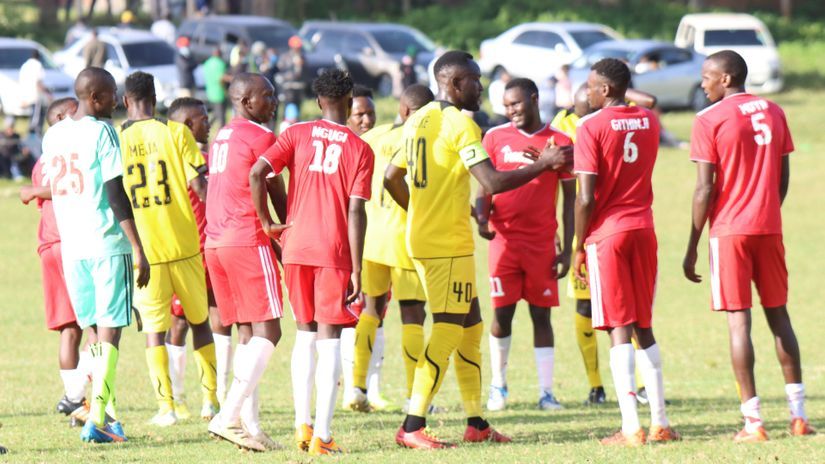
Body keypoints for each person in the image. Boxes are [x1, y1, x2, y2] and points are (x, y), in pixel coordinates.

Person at [384, 50, 572, 449]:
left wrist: (419, 212)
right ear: (453, 83)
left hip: (431, 240)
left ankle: (476, 423)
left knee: (470, 327)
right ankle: (413, 425)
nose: (480, 87)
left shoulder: (417, 119)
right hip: (444, 245)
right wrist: (545, 163)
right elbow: (493, 183)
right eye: (474, 80)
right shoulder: (458, 124)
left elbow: (391, 176)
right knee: (450, 328)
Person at [683, 50, 815, 442]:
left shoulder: (709, 119)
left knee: (739, 322)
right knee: (780, 317)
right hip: (769, 227)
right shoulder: (774, 111)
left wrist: (691, 245)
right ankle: (798, 417)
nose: (702, 82)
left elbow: (704, 187)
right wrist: (767, 210)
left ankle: (753, 423)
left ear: (726, 79)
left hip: (729, 231)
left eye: (707, 76)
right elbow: (782, 173)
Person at [249, 69, 375, 455]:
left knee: (304, 334)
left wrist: (268, 222)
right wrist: (356, 267)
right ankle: (323, 435)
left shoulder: (296, 133)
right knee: (330, 338)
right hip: (333, 252)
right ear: (350, 99)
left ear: (319, 100)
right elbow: (356, 211)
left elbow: (258, 172)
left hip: (296, 247)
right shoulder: (360, 148)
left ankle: (302, 427)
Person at [572, 58, 679, 446]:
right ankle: (661, 422)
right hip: (644, 229)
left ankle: (631, 427)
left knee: (619, 327)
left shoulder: (590, 126)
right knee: (643, 325)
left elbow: (585, 198)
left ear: (605, 90)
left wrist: (577, 246)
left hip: (608, 233)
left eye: (591, 86)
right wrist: (621, 89)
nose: (586, 93)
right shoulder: (650, 120)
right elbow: (645, 101)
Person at [41, 66, 150, 443]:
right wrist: (137, 246)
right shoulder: (103, 131)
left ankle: (107, 416)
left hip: (73, 247)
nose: (117, 103)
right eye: (111, 96)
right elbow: (115, 192)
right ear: (96, 98)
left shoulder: (53, 135)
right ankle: (98, 418)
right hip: (106, 242)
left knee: (96, 337)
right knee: (110, 335)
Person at [117, 71, 218, 427]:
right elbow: (200, 187)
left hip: (147, 252)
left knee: (154, 332)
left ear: (126, 101)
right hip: (187, 246)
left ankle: (167, 408)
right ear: (156, 96)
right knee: (201, 322)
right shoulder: (177, 133)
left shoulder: (119, 138)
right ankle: (211, 402)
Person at [476, 77, 575, 412]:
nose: (510, 111)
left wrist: (568, 247)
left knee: (541, 317)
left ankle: (546, 392)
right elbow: (484, 186)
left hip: (542, 243)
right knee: (502, 315)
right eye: (506, 106)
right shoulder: (494, 136)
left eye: (516, 104)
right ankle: (498, 386)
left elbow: (571, 198)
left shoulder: (559, 141)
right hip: (503, 241)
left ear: (533, 99)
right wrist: (481, 216)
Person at [204, 73, 287, 452]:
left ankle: (249, 426)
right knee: (270, 331)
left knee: (249, 333)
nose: (275, 100)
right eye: (268, 95)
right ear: (247, 101)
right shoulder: (261, 137)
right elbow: (273, 186)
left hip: (216, 242)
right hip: (247, 239)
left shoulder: (223, 133)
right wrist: (285, 232)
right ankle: (229, 415)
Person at [346, 84, 435, 414]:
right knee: (413, 314)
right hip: (404, 239)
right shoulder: (420, 140)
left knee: (371, 311)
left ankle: (357, 386)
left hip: (371, 239)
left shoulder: (372, 137)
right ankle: (414, 395)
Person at [20, 97, 97, 427]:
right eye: (76, 113)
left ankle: (78, 406)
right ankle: (74, 396)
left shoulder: (42, 160)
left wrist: (36, 190)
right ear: (64, 118)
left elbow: (43, 193)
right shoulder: (73, 151)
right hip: (72, 244)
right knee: (97, 326)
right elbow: (67, 187)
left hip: (48, 245)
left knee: (69, 330)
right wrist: (39, 191)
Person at [163, 97, 232, 419]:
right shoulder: (195, 161)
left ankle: (198, 399)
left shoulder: (199, 158)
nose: (209, 123)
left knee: (189, 322)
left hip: (196, 251)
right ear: (188, 126)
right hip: (195, 250)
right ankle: (206, 397)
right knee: (205, 320)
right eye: (203, 119)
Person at [20, 50, 51, 137]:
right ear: (39, 57)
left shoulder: (25, 65)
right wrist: (47, 93)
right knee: (36, 118)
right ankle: (34, 136)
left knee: (33, 115)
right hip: (36, 95)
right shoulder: (37, 65)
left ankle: (33, 135)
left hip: (27, 95)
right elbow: (39, 82)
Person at [278, 36, 306, 120]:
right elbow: (280, 70)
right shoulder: (285, 57)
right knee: (288, 107)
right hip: (288, 87)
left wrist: (301, 65)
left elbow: (305, 73)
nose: (298, 49)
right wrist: (292, 64)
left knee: (297, 110)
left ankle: (296, 124)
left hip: (299, 87)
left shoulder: (302, 57)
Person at [202, 48, 230, 129]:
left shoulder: (207, 63)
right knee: (221, 117)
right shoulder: (220, 63)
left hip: (210, 92)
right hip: (219, 93)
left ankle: (206, 127)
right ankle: (222, 133)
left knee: (215, 114)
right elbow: (222, 78)